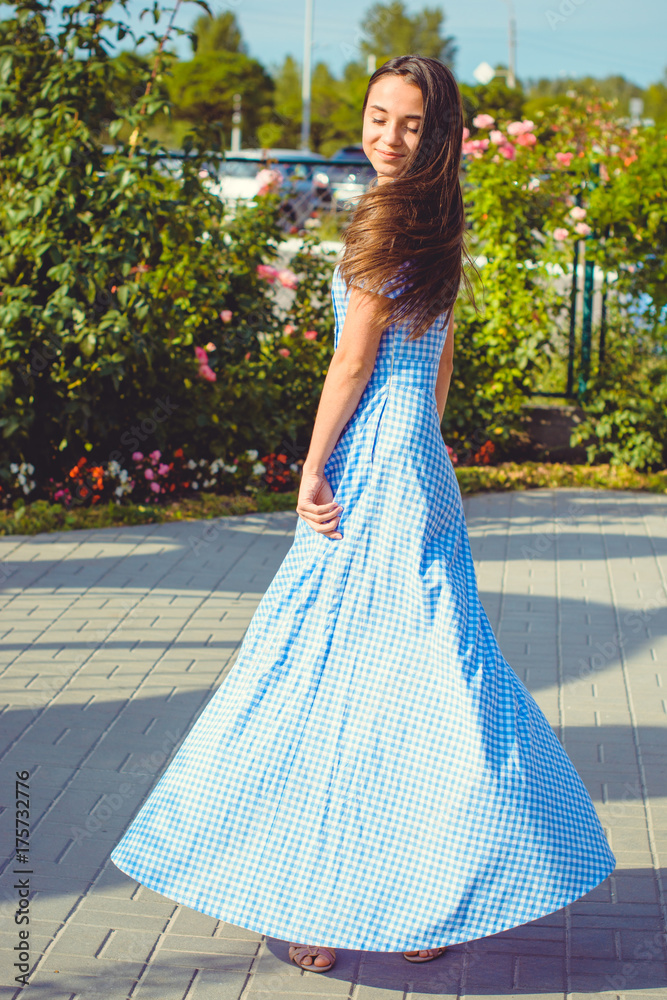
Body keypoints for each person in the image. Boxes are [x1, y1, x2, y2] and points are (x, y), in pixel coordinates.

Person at [110, 55, 615, 975]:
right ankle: (425, 903)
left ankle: (328, 903)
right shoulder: (440, 219)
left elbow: (351, 365)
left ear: (437, 134)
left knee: (324, 677)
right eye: (378, 117)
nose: (387, 136)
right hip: (418, 459)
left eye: (409, 123)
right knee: (431, 679)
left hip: (370, 464)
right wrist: (424, 448)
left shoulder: (382, 216)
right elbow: (441, 362)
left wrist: (310, 469)